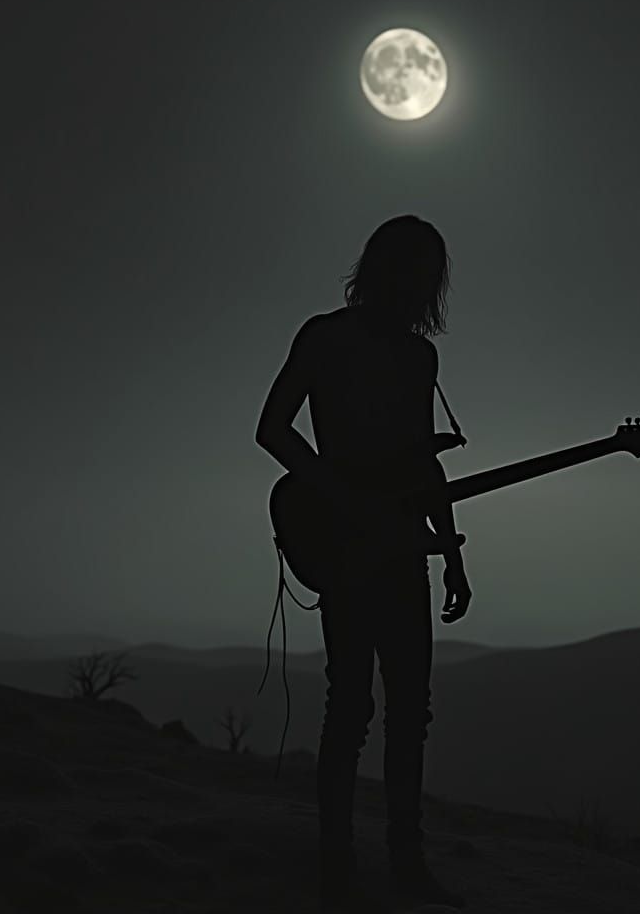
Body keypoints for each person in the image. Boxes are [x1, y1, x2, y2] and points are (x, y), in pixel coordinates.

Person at [255, 214, 472, 913]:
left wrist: (453, 550)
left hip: (406, 550)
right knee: (351, 705)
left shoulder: (420, 360)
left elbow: (422, 464)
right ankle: (336, 866)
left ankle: (406, 865)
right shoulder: (326, 338)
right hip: (349, 548)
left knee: (410, 711)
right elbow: (272, 428)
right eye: (413, 271)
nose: (420, 288)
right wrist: (337, 492)